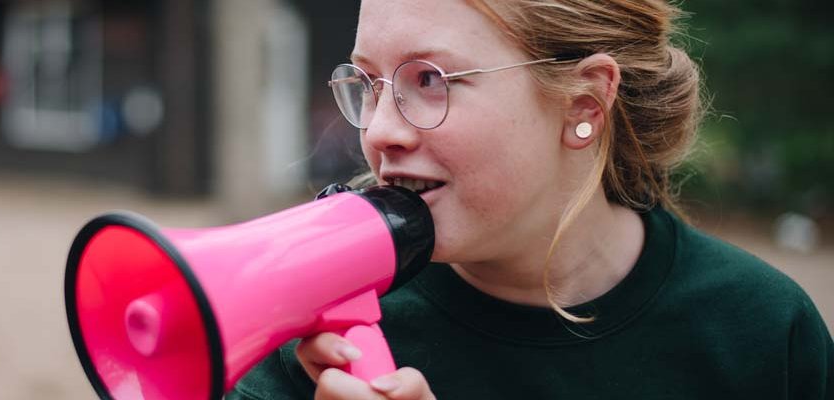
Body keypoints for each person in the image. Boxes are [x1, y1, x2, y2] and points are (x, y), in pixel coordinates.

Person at [227, 0, 834, 399]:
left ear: (584, 105)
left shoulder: (759, 330)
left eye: (430, 80)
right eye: (368, 83)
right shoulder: (314, 341)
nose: (381, 130)